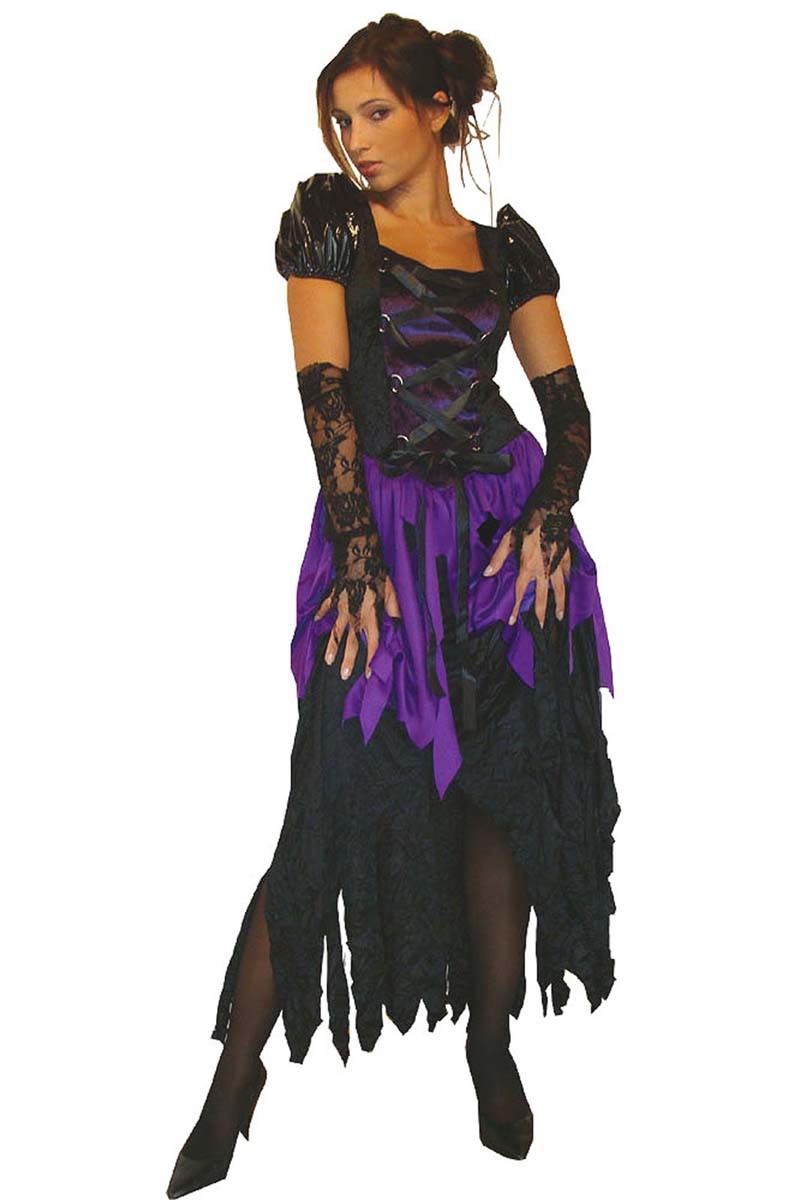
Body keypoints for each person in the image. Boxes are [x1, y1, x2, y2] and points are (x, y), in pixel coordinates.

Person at [166, 14, 620, 1195]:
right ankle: (230, 1088)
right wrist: (359, 561)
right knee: (329, 803)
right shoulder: (329, 226)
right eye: (340, 119)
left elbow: (568, 413)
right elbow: (325, 401)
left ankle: (490, 1044)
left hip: (504, 539)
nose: (354, 138)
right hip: (383, 538)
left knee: (499, 798)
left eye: (375, 113)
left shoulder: (506, 249)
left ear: (436, 113)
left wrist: (546, 516)